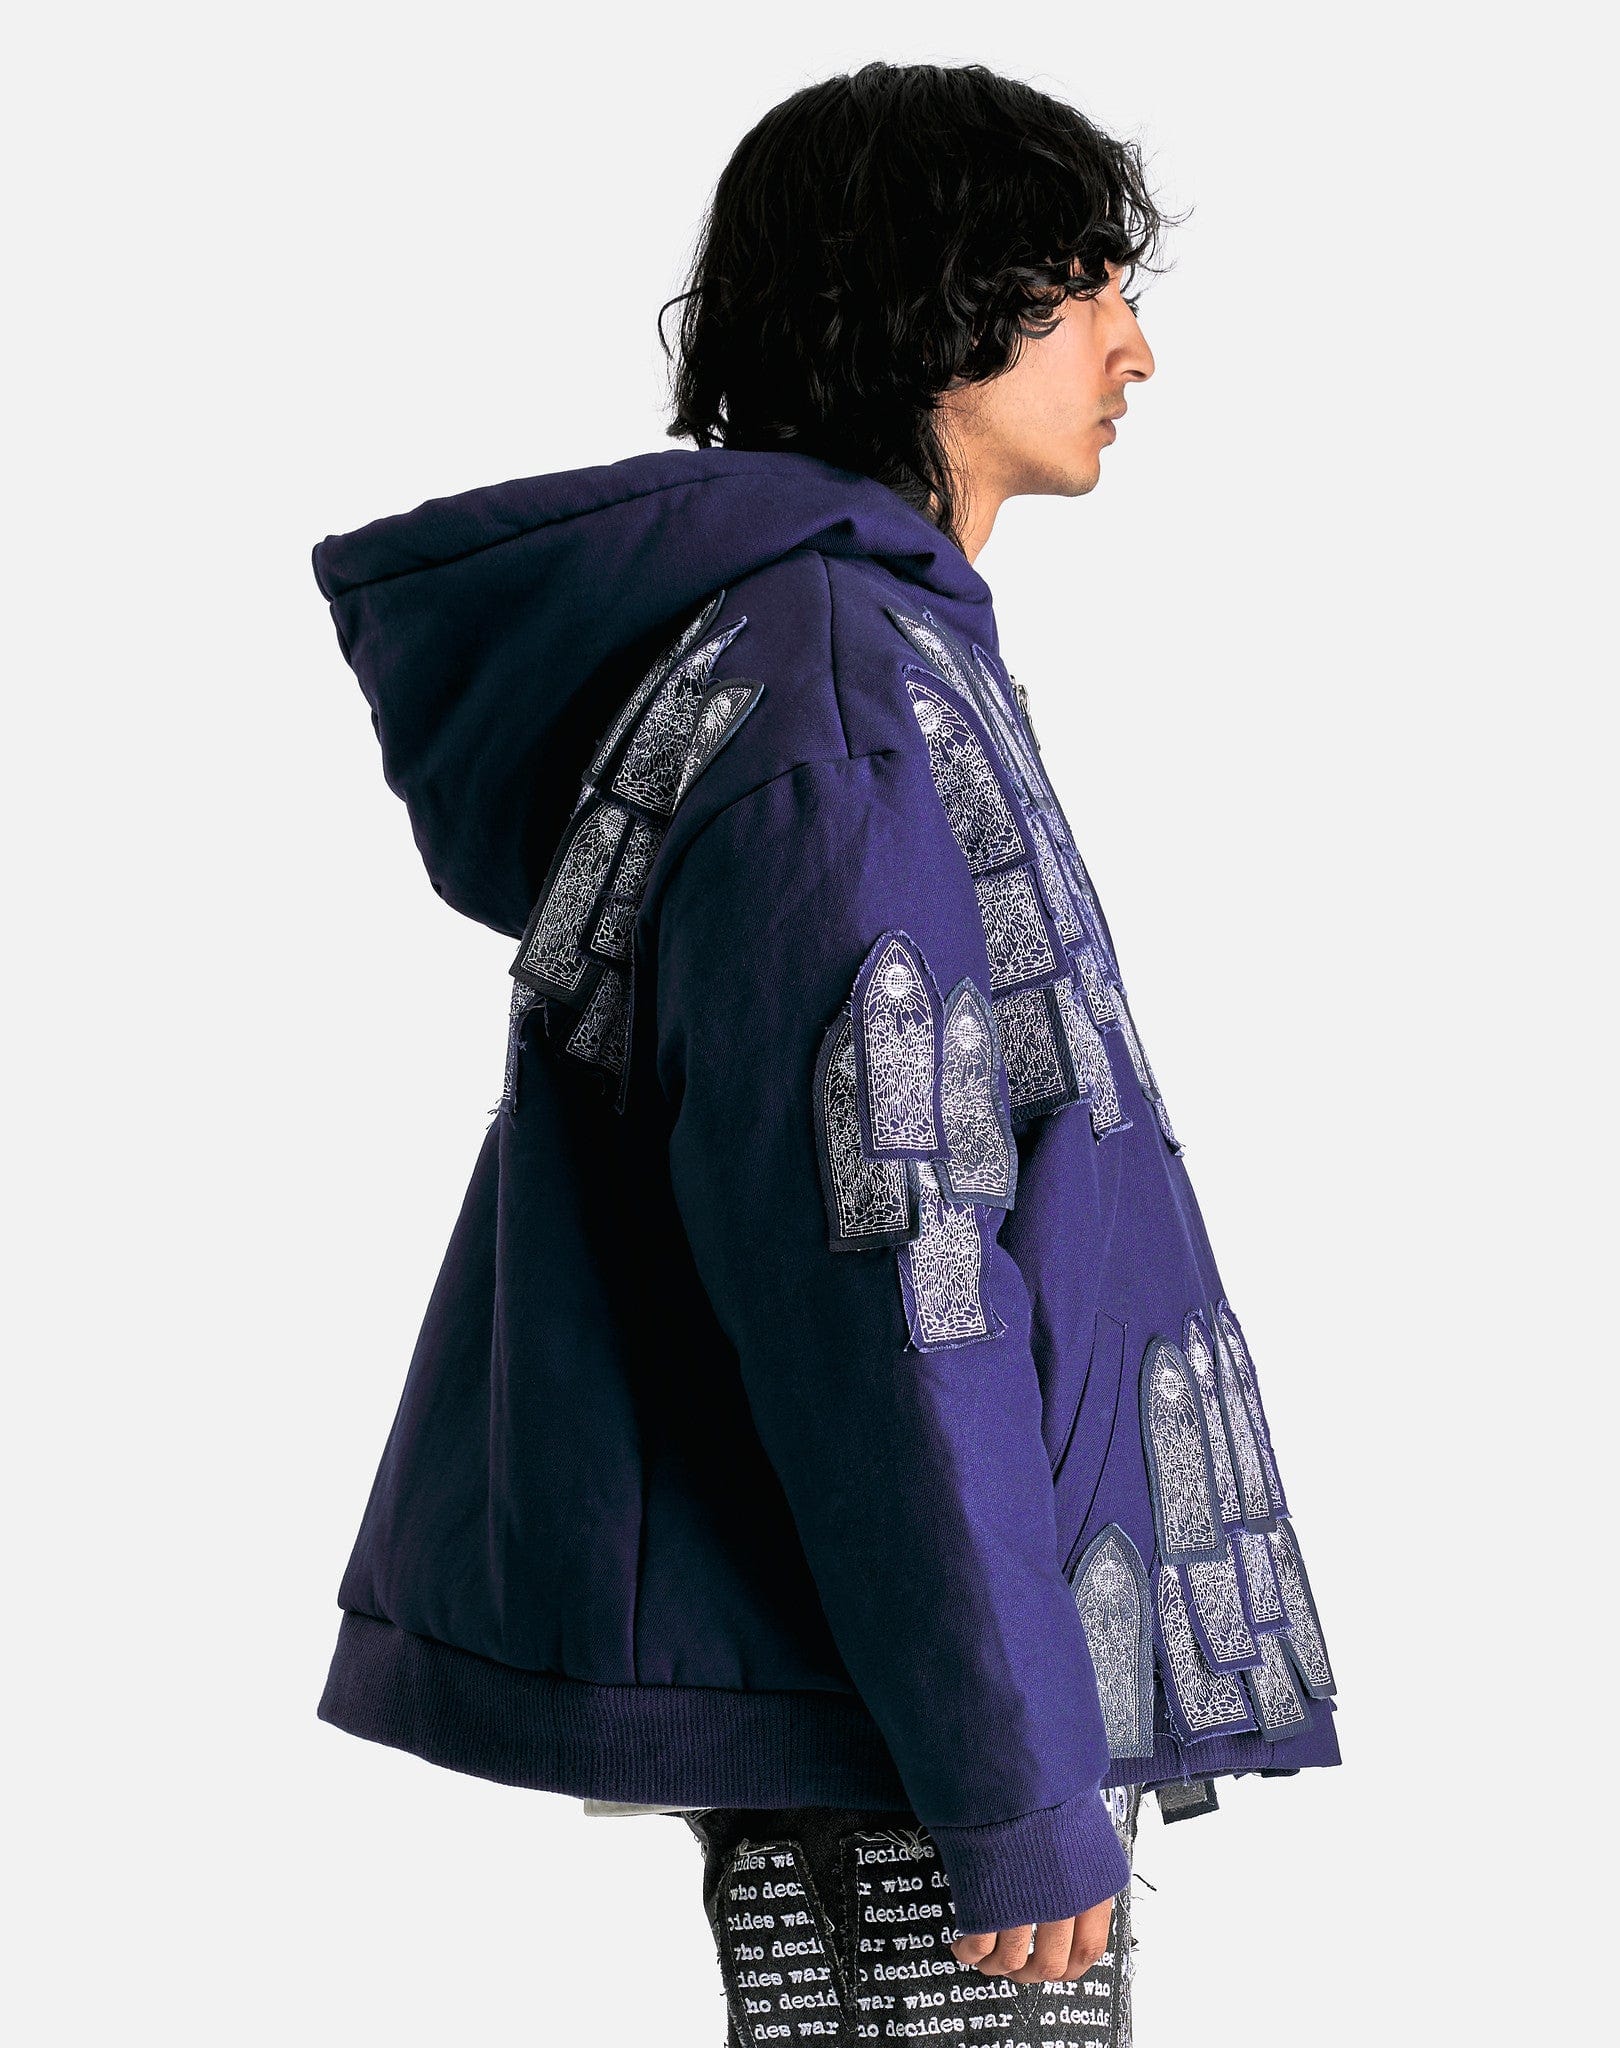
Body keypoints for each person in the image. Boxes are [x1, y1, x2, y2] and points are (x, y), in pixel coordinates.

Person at [310, 60, 1341, 2047]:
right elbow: (890, 1269)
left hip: (907, 1692)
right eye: (1082, 283)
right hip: (902, 1729)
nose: (1135, 345)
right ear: (934, 309)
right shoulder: (840, 694)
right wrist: (1013, 1782)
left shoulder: (852, 657)